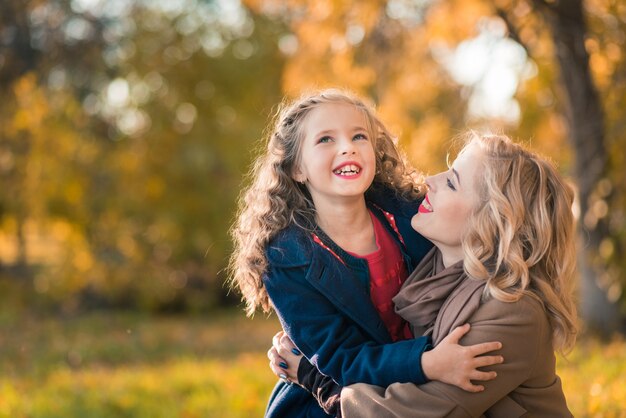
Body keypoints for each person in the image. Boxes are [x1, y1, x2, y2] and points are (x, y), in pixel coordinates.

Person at [229, 90, 503, 418]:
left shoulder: (410, 217)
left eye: (358, 136)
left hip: (423, 387)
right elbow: (340, 358)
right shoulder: (287, 258)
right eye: (326, 140)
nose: (347, 147)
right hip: (332, 398)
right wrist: (425, 362)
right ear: (297, 169)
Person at [270, 132, 578, 417]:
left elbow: (410, 412)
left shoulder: (513, 310)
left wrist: (314, 379)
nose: (431, 180)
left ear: (491, 223)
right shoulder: (428, 275)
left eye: (452, 182)